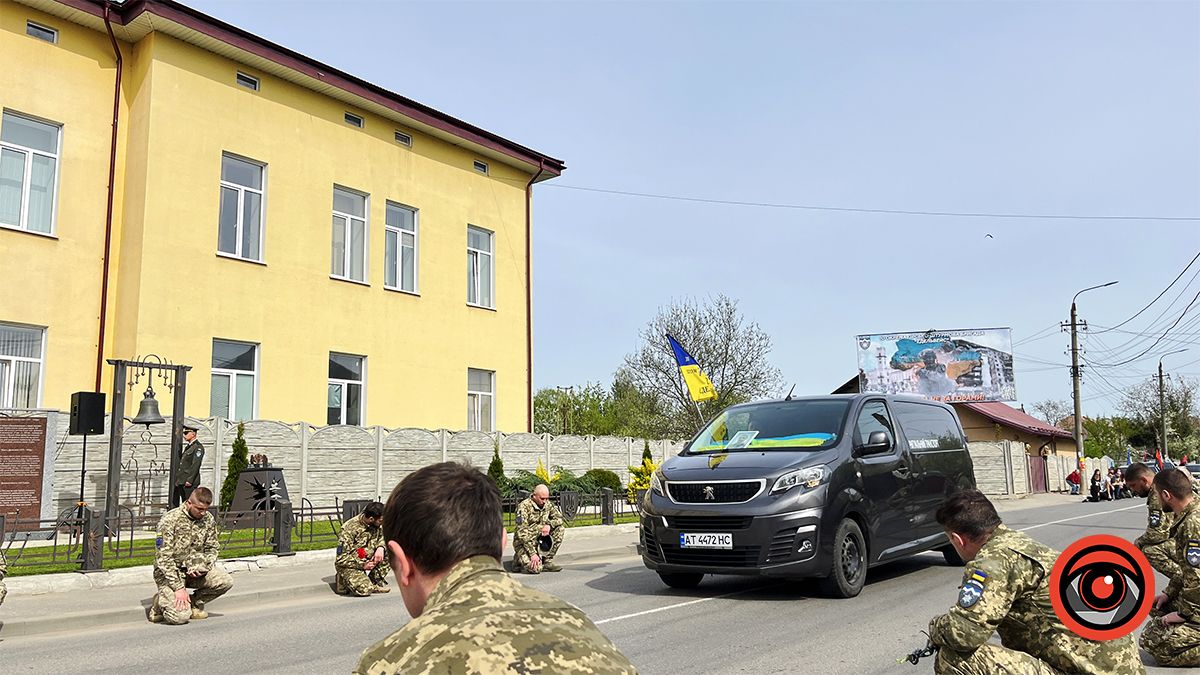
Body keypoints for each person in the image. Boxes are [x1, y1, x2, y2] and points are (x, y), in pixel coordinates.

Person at [353, 462, 637, 674]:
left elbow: (555, 524)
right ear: (502, 542)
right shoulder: (583, 630)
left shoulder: (387, 662)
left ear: (402, 564)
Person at [927, 489, 1142, 674]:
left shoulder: (994, 560)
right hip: (1121, 669)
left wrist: (935, 627)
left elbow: (965, 632)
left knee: (955, 658)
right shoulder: (1020, 543)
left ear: (958, 539)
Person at [1140, 467, 1200, 667]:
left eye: (1158, 495)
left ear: (1166, 495)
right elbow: (1186, 570)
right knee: (1158, 607)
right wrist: (1169, 593)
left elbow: (1196, 577)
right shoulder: (1190, 513)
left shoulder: (1192, 524)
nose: (1157, 500)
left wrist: (1183, 614)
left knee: (1159, 649)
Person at [149, 486, 233, 625]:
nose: (203, 513)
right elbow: (163, 558)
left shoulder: (208, 519)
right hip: (169, 574)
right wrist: (178, 588)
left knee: (225, 581)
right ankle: (158, 604)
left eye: (205, 509)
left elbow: (212, 547)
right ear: (189, 503)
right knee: (180, 618)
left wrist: (203, 566)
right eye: (199, 509)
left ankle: (193, 603)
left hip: (194, 571)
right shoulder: (170, 519)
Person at [1126, 462, 1181, 581]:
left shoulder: (1157, 493)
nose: (1132, 490)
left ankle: (1189, 580)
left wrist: (1138, 542)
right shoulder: (1167, 482)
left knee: (1149, 551)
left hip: (1193, 539)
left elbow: (1157, 533)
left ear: (1143, 480)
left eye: (1133, 485)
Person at [336, 501, 390, 596]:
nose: (382, 523)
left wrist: (381, 547)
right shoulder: (349, 529)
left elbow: (384, 536)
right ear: (371, 519)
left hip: (367, 557)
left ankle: (373, 582)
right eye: (381, 521)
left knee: (391, 552)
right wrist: (363, 565)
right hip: (351, 564)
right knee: (365, 590)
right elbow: (341, 559)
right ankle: (342, 579)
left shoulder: (377, 524)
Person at [513, 484, 565, 574]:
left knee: (560, 529)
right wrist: (532, 554)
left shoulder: (547, 504)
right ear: (534, 496)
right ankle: (518, 559)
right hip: (524, 543)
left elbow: (560, 519)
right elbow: (522, 532)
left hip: (540, 539)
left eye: (547, 498)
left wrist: (549, 525)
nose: (545, 501)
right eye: (542, 498)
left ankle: (547, 561)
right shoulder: (523, 507)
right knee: (536, 569)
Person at [172, 424, 205, 507]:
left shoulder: (198, 447)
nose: (184, 435)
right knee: (184, 503)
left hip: (189, 481)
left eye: (186, 433)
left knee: (190, 504)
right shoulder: (189, 447)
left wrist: (190, 480)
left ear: (193, 434)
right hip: (182, 480)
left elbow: (196, 465)